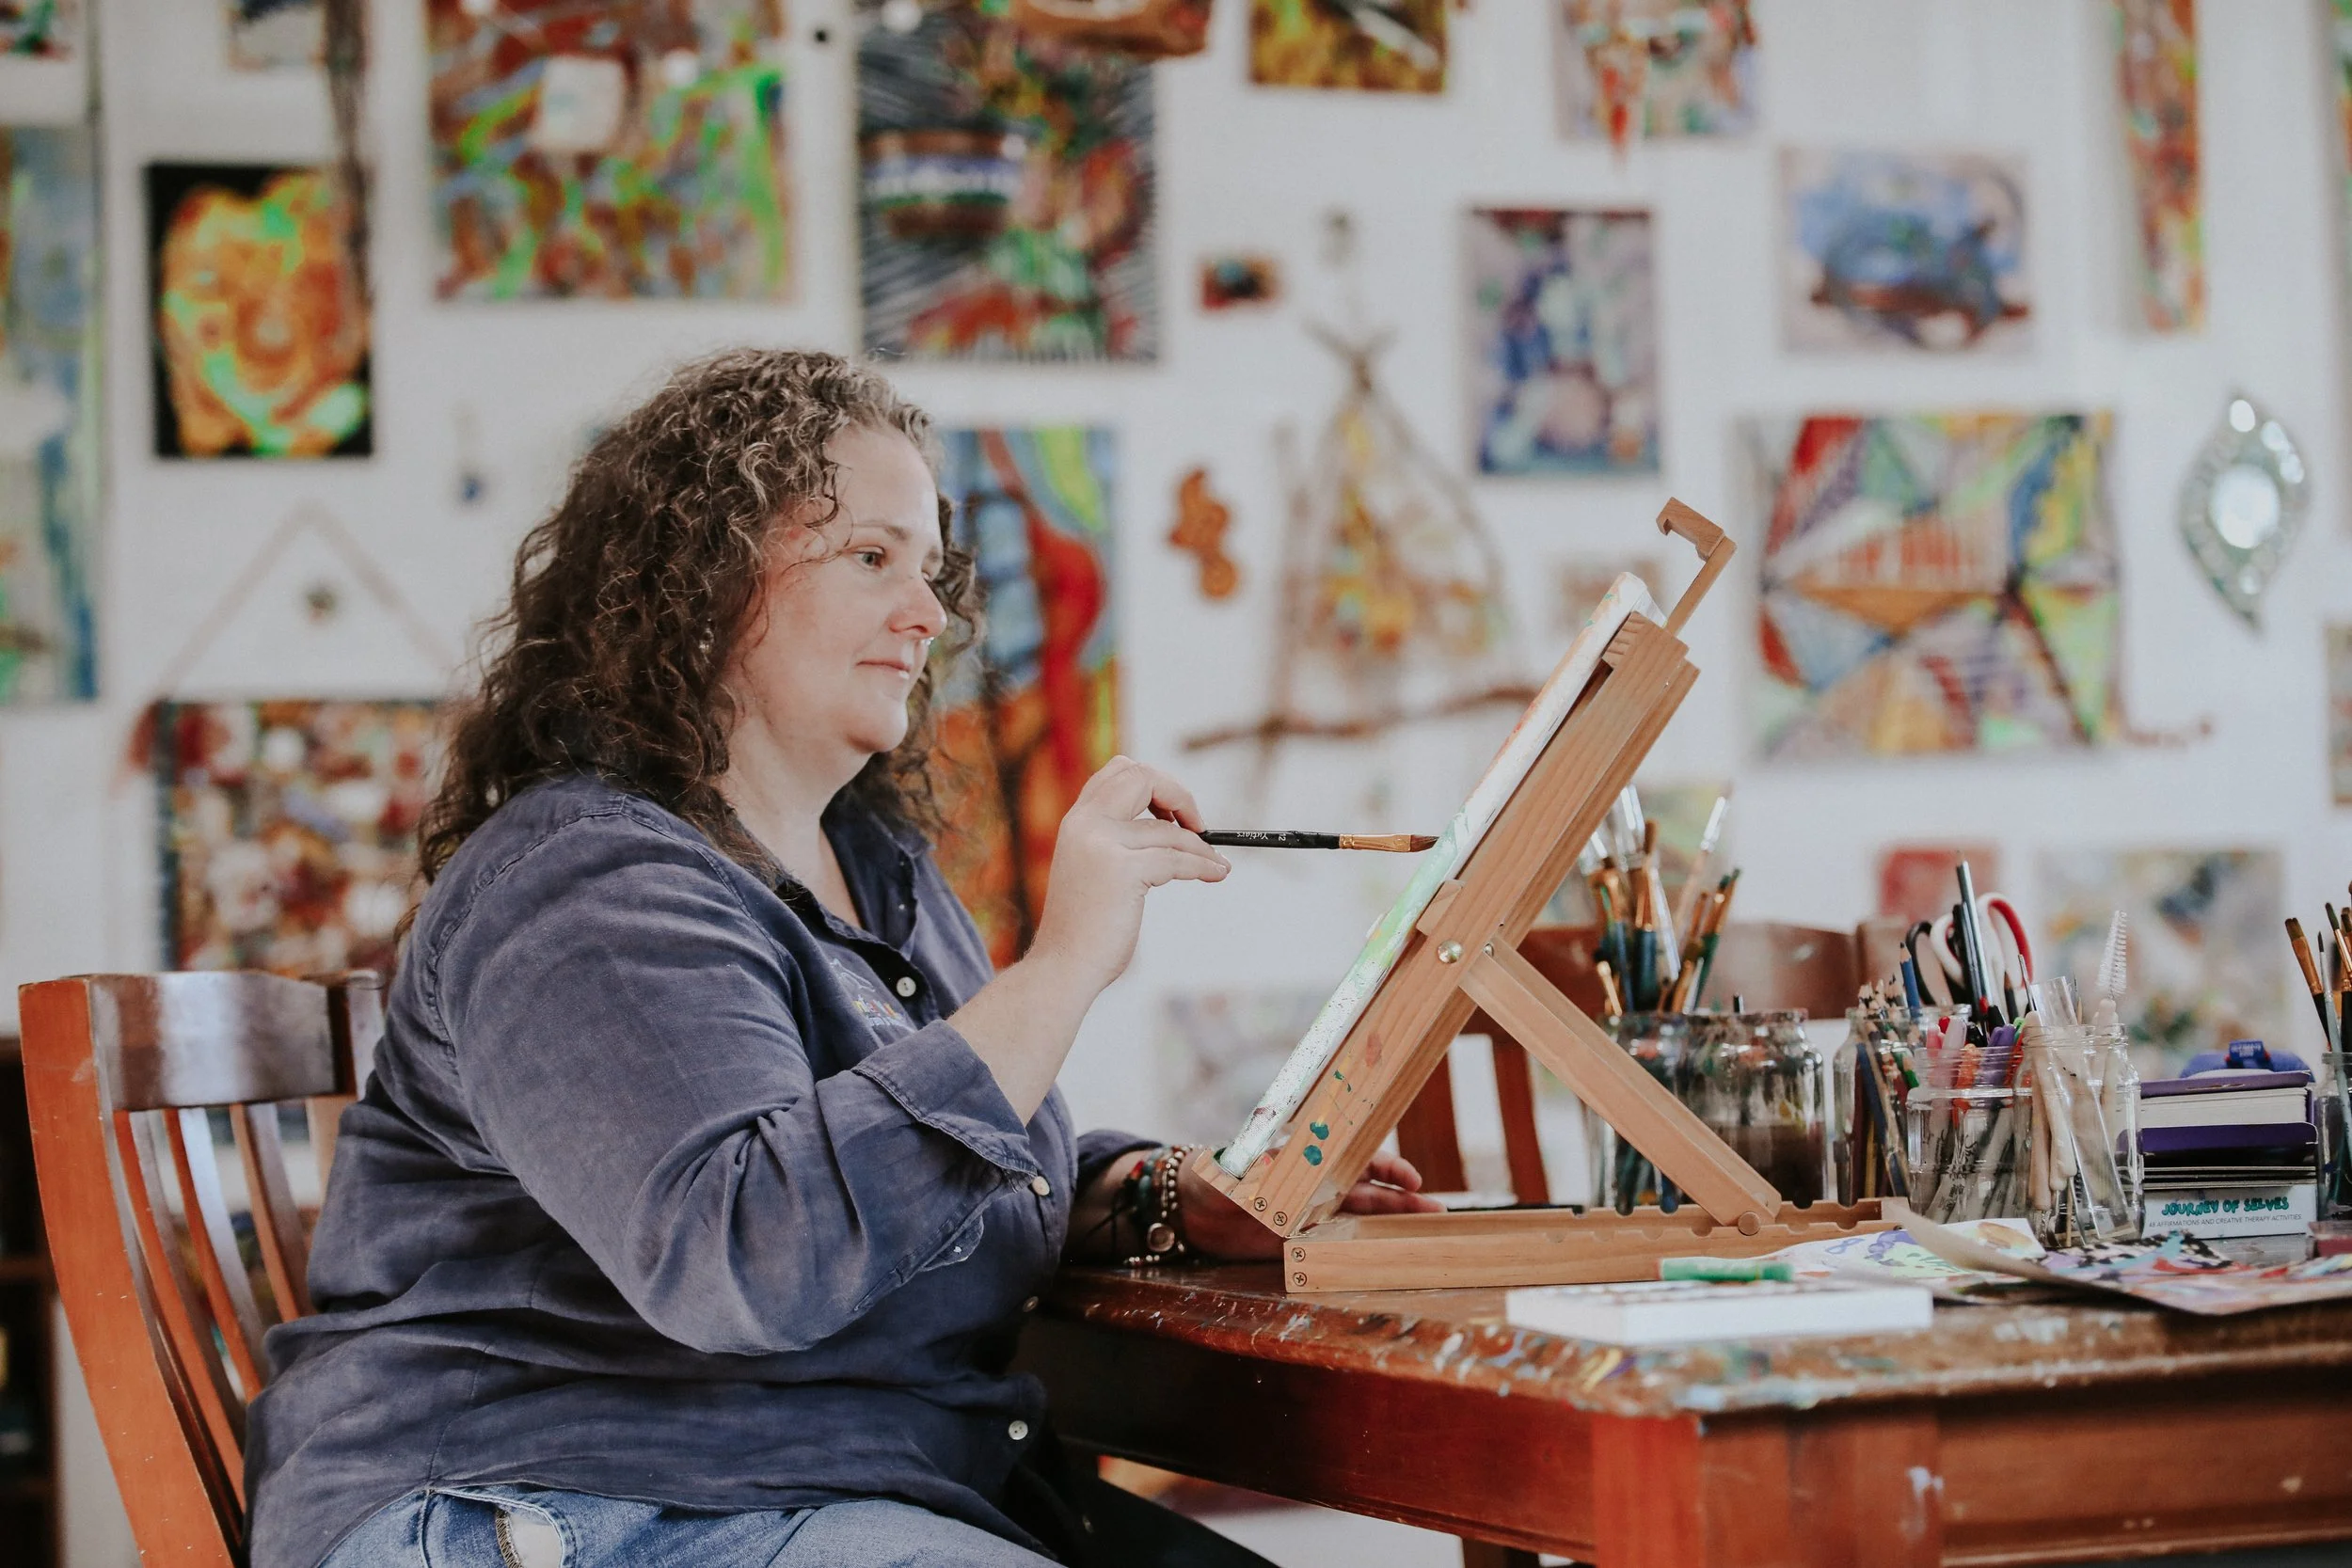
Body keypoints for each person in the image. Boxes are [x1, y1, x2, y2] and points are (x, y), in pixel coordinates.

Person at [247, 349, 1438, 1568]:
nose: (928, 614)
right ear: (706, 584)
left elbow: (958, 1164)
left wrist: (1183, 1195)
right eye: (871, 557)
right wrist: (1066, 961)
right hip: (565, 1497)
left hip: (820, 1490)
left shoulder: (875, 869)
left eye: (929, 569)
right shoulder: (580, 881)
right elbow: (752, 1255)